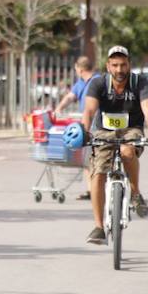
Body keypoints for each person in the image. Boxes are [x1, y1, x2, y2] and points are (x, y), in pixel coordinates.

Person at [80, 45, 148, 245]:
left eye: (123, 65)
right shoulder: (98, 83)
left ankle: (135, 193)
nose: (119, 70)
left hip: (131, 129)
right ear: (108, 66)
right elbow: (89, 111)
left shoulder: (139, 83)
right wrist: (84, 131)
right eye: (115, 65)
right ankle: (99, 227)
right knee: (98, 172)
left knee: (127, 152)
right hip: (103, 132)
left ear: (129, 65)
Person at [55, 55, 100, 200]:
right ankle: (91, 190)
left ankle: (98, 188)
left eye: (75, 69)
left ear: (80, 69)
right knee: (87, 158)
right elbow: (70, 96)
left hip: (99, 124)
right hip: (86, 124)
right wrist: (59, 108)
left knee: (96, 158)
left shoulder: (98, 81)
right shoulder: (81, 83)